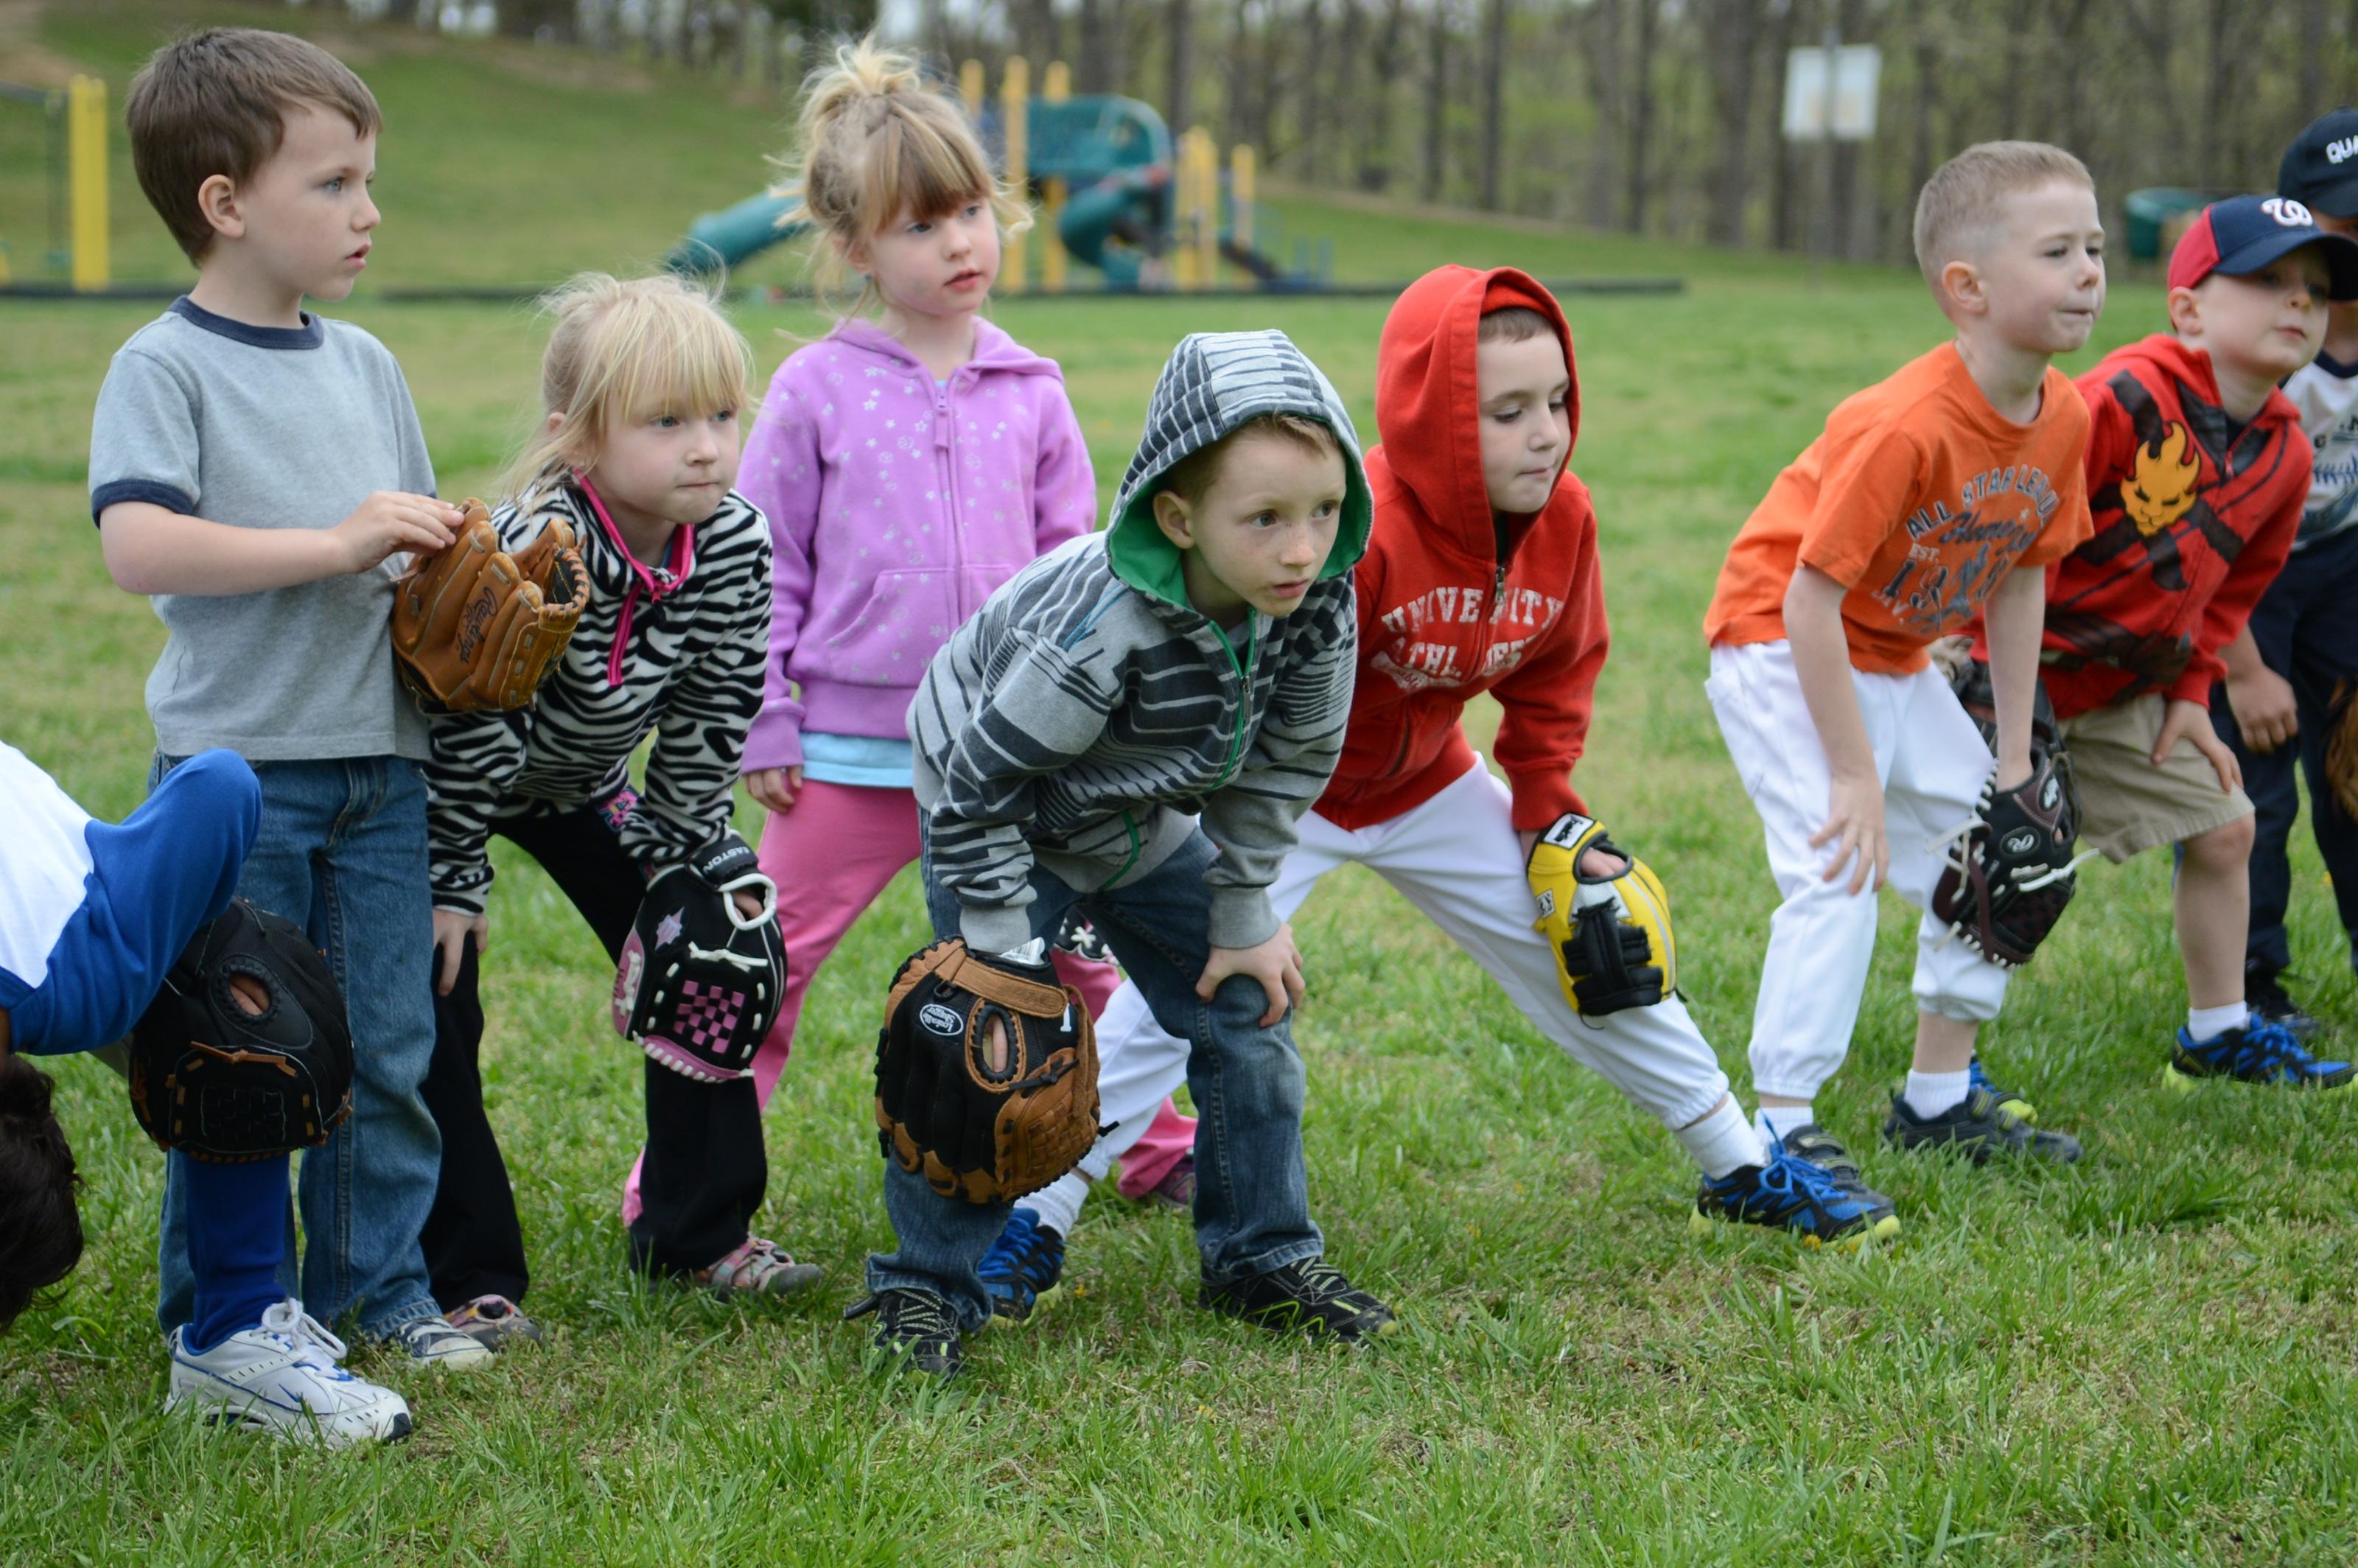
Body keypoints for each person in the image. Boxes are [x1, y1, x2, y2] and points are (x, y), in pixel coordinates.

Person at [979, 266, 1900, 1325]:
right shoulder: (1352, 529)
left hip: (1424, 781)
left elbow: (1558, 666)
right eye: (1507, 412)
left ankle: (1739, 1166)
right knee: (1186, 993)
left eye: (1556, 401)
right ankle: (1031, 1216)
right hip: (1280, 800)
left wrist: (1548, 802)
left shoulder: (1567, 520)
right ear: (1437, 419)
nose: (1545, 434)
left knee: (1597, 944)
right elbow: (1254, 700)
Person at [618, 35, 1196, 1237]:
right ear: (855, 249)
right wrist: (765, 721)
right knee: (754, 972)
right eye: (925, 226)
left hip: (1009, 763)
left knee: (1081, 970)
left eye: (973, 213)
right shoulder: (817, 393)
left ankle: (1153, 1145)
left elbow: (1075, 583)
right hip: (844, 754)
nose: (962, 244)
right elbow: (756, 574)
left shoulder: (1033, 389)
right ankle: (672, 1192)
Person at [846, 329, 1388, 1379]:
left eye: (1325, 511)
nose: (1301, 549)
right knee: (971, 1048)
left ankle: (1260, 1257)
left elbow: (1287, 764)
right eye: (1265, 519)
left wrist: (1242, 911)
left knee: (1248, 1003)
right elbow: (978, 780)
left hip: (1130, 812)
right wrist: (1000, 953)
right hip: (992, 801)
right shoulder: (1103, 624)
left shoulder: (1316, 603)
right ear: (1179, 519)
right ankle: (926, 1292)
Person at [87, 28, 485, 1368]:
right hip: (239, 777)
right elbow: (139, 544)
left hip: (383, 769)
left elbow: (411, 569)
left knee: (385, 1049)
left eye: (370, 180)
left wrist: (475, 577)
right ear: (225, 202)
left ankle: (382, 1298)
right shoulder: (167, 364)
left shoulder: (366, 364)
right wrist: (335, 539)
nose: (368, 211)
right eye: (335, 184)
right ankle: (230, 1317)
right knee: (237, 1057)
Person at [1701, 141, 2105, 1183]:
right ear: (1965, 290)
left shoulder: (2065, 414)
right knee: (1842, 859)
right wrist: (1854, 776)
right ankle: (1780, 1131)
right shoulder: (1905, 425)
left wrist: (2013, 757)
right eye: (2058, 251)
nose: (2092, 271)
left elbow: (2021, 577)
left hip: (1892, 650)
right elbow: (1808, 600)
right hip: (1780, 645)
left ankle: (1935, 1099)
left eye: (2095, 247)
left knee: (2005, 855)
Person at [418, 272, 798, 1347]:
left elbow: (714, 706)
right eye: (667, 421)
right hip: (448, 777)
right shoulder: (541, 546)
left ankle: (696, 1233)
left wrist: (688, 872)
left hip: (578, 782)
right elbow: (475, 722)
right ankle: (466, 1274)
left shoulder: (732, 539)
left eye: (723, 416)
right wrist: (453, 880)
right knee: (438, 996)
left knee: (716, 942)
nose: (706, 447)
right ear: (576, 440)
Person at [2005, 196, 2357, 1091]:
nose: (2297, 303)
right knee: (1998, 863)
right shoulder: (2116, 401)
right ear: (2186, 309)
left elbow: (2223, 595)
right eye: (2267, 279)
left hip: (2117, 691)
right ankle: (1939, 1085)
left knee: (2224, 825)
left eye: (2312, 290)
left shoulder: (2282, 451)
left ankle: (2215, 1035)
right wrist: (1990, 694)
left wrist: (2193, 696)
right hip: (2000, 670)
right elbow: (2008, 554)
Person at [1, 740, 414, 1446]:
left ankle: (237, 1337)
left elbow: (220, 784)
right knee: (223, 996)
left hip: (61, 942)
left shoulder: (79, 972)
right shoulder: (79, 973)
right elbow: (216, 784)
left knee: (234, 997)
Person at [2205, 111, 2358, 1036]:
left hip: (2341, 570)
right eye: (2343, 227)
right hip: (2244, 586)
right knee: (2252, 791)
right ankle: (2251, 983)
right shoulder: (2258, 361)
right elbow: (2198, 536)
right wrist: (2243, 667)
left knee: (2351, 772)